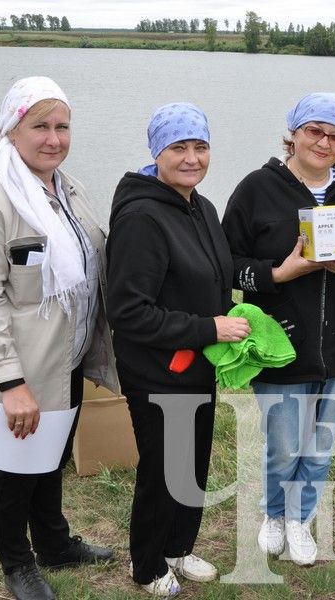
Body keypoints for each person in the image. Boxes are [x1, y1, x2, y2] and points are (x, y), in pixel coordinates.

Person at [0, 76, 118, 600]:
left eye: (62, 126)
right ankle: (17, 565)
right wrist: (11, 383)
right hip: (22, 367)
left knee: (53, 456)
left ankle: (54, 543)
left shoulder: (68, 188)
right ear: (11, 130)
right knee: (18, 469)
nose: (53, 138)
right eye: (39, 126)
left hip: (65, 356)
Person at [222, 92, 335, 566]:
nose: (324, 142)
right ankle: (273, 513)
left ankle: (300, 519)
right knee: (283, 444)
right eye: (314, 130)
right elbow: (228, 264)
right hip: (281, 339)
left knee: (320, 444)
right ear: (293, 133)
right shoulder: (257, 188)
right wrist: (277, 274)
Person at [106, 103, 250, 596]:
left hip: (197, 365)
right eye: (179, 148)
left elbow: (207, 285)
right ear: (157, 152)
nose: (191, 158)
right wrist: (209, 328)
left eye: (200, 146)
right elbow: (126, 311)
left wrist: (236, 317)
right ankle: (146, 565)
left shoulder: (202, 207)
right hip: (156, 371)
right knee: (162, 472)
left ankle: (178, 548)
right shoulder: (142, 217)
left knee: (192, 465)